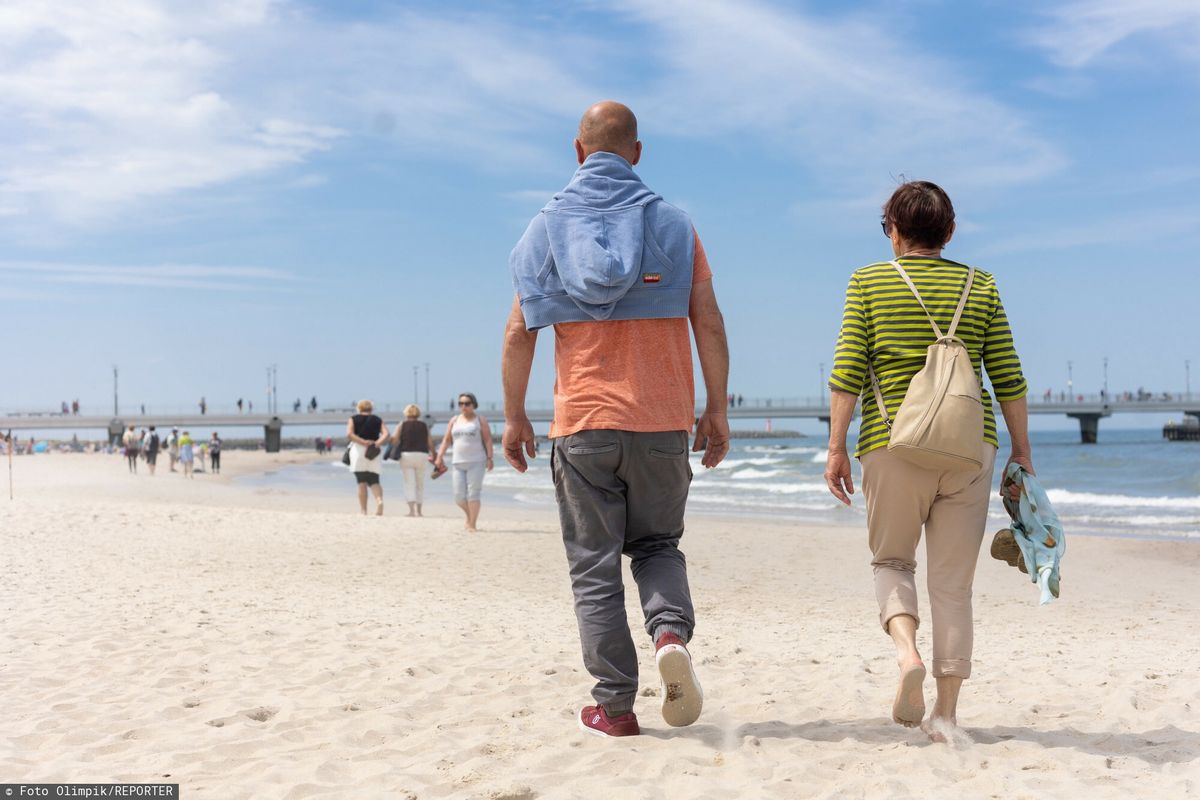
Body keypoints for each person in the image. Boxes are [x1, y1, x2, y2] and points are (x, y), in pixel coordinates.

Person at [502, 101, 730, 737]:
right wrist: (715, 407)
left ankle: (616, 707)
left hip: (582, 425)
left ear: (578, 152)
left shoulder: (544, 229)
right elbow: (707, 318)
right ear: (636, 152)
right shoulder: (675, 225)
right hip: (661, 423)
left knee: (594, 568)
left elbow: (521, 331)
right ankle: (669, 636)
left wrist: (515, 416)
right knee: (657, 546)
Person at [823, 180, 1031, 743]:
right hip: (970, 449)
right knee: (953, 586)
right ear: (950, 231)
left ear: (893, 229)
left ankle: (907, 654)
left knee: (892, 561)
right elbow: (1007, 375)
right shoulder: (979, 284)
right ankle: (945, 714)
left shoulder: (869, 281)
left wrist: (837, 446)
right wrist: (1023, 450)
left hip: (893, 445)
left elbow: (847, 370)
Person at [435, 393, 493, 531]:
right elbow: (447, 440)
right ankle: (469, 515)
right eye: (461, 403)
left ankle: (472, 524)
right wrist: (439, 456)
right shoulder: (454, 420)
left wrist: (489, 458)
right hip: (458, 462)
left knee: (474, 493)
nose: (464, 406)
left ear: (473, 404)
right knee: (459, 497)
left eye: (467, 403)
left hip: (477, 461)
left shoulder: (480, 420)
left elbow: (488, 440)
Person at [347, 399, 389, 515]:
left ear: (359, 408)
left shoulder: (353, 419)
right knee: (374, 480)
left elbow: (349, 434)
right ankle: (379, 500)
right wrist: (378, 443)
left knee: (361, 481)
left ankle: (364, 510)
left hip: (359, 450)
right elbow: (386, 434)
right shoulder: (377, 419)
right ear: (371, 408)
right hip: (373, 450)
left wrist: (362, 441)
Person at [392, 404, 434, 517]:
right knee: (420, 484)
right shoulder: (424, 425)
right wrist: (435, 454)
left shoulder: (402, 425)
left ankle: (411, 511)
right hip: (422, 455)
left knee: (409, 483)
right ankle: (420, 511)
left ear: (406, 413)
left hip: (406, 455)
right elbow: (430, 442)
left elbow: (394, 440)